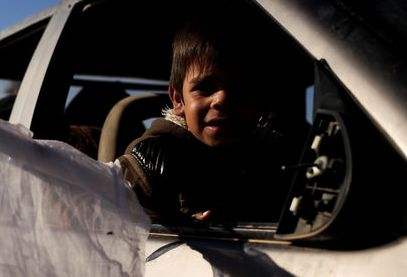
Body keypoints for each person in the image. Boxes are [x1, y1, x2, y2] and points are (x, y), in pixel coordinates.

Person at [117, 19, 302, 224]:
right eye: (205, 87)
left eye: (241, 89)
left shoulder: (282, 163)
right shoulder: (151, 164)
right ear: (178, 99)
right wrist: (180, 225)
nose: (222, 100)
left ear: (261, 100)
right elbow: (123, 232)